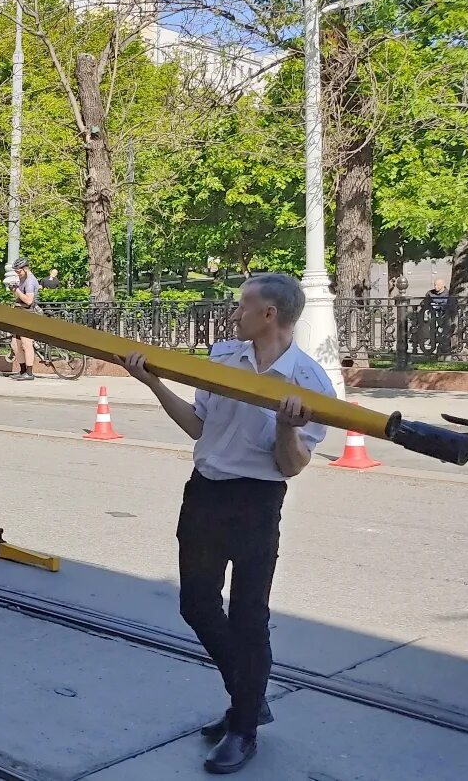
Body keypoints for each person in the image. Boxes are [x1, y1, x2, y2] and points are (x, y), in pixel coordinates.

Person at [119, 273, 335, 775]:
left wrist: (286, 426)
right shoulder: (223, 358)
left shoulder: (308, 383)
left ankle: (243, 728)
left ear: (270, 315)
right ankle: (248, 696)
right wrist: (154, 383)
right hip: (206, 492)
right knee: (196, 603)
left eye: (244, 305)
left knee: (248, 618)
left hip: (257, 501)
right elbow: (199, 426)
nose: (235, 313)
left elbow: (291, 465)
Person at [7, 257, 40, 380]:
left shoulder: (30, 281)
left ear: (25, 269)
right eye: (16, 271)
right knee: (16, 344)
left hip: (28, 314)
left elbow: (29, 300)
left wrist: (16, 290)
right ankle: (22, 371)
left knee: (26, 344)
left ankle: (29, 373)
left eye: (19, 271)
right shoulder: (23, 279)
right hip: (20, 314)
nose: (17, 273)